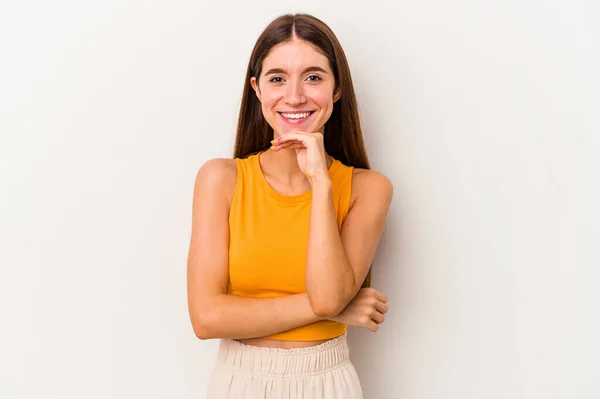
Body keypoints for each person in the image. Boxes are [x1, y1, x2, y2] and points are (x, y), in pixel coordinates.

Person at [186, 13, 393, 399]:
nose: (295, 96)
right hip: (238, 382)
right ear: (257, 89)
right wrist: (331, 310)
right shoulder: (221, 179)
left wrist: (320, 181)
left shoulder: (368, 188)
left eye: (313, 77)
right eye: (277, 78)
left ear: (336, 89)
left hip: (327, 383)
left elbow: (329, 294)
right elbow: (206, 317)